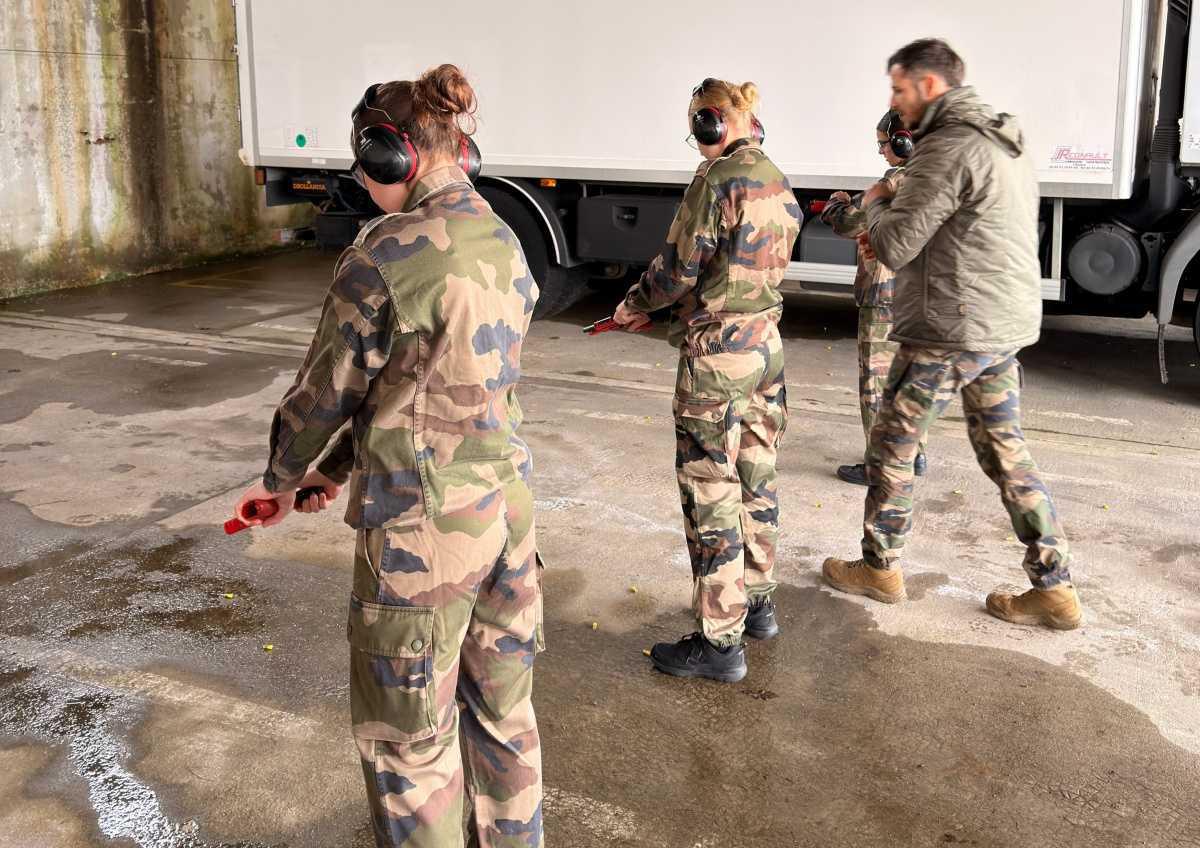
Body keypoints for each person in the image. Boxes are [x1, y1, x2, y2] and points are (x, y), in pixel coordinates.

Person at [231, 65, 545, 847]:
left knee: (409, 744)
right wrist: (335, 470)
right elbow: (431, 388)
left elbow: (323, 396)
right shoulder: (503, 237)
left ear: (392, 155)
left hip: (422, 539)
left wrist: (279, 477)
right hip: (506, 517)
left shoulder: (385, 254)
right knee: (503, 716)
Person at [821, 39, 1082, 630]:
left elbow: (893, 245)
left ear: (930, 86)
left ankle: (879, 567)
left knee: (892, 446)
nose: (895, 101)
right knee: (1007, 454)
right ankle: (1055, 586)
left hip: (950, 328)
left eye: (898, 88)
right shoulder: (1001, 140)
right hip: (998, 325)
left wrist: (876, 204)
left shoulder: (947, 148)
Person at [613, 78, 802, 681]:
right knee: (756, 475)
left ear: (713, 122)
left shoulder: (716, 181)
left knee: (710, 489)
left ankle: (720, 644)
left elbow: (678, 269)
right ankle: (758, 606)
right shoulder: (775, 176)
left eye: (696, 124)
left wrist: (634, 305)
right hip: (765, 345)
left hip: (718, 355)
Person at [822, 109, 928, 487]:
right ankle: (911, 455)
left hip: (885, 296)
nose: (882, 152)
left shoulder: (895, 181)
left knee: (877, 383)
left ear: (902, 141)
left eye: (884, 144)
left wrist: (836, 204)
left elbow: (851, 222)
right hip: (919, 295)